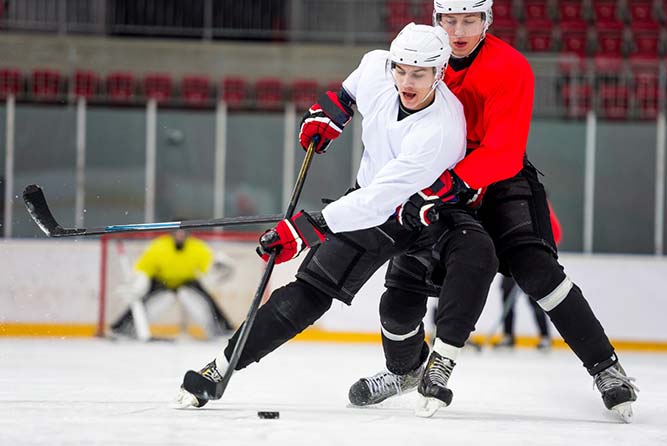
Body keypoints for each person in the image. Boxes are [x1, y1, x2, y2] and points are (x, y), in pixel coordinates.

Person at [175, 23, 498, 414]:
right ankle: (220, 369)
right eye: (400, 70)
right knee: (309, 291)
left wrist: (307, 228)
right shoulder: (376, 67)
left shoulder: (442, 129)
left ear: (440, 72)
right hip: (371, 200)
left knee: (418, 292)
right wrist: (331, 114)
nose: (406, 82)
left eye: (419, 74)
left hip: (428, 214)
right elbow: (348, 93)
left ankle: (428, 364)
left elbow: (381, 200)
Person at [348, 0, 638, 423]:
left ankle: (607, 368)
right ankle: (405, 370)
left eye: (470, 20)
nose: (459, 30)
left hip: (495, 182)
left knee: (539, 273)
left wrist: (445, 185)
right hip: (438, 182)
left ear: (487, 20)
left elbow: (504, 151)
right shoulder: (418, 61)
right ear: (436, 21)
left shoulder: (510, 66)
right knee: (401, 290)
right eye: (450, 20)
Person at [110, 229, 234, 341]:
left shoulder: (197, 247)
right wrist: (138, 282)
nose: (180, 235)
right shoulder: (159, 245)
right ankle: (120, 328)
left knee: (208, 300)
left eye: (183, 232)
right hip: (161, 281)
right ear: (171, 233)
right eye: (177, 232)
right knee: (141, 301)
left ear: (188, 233)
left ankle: (225, 329)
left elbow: (209, 265)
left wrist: (218, 265)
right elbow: (144, 268)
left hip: (188, 281)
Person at [493, 202, 562, 350]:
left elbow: (555, 234)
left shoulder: (540, 206)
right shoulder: (509, 203)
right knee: (506, 293)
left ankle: (545, 337)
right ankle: (508, 336)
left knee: (535, 298)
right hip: (511, 259)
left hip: (532, 260)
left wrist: (541, 252)